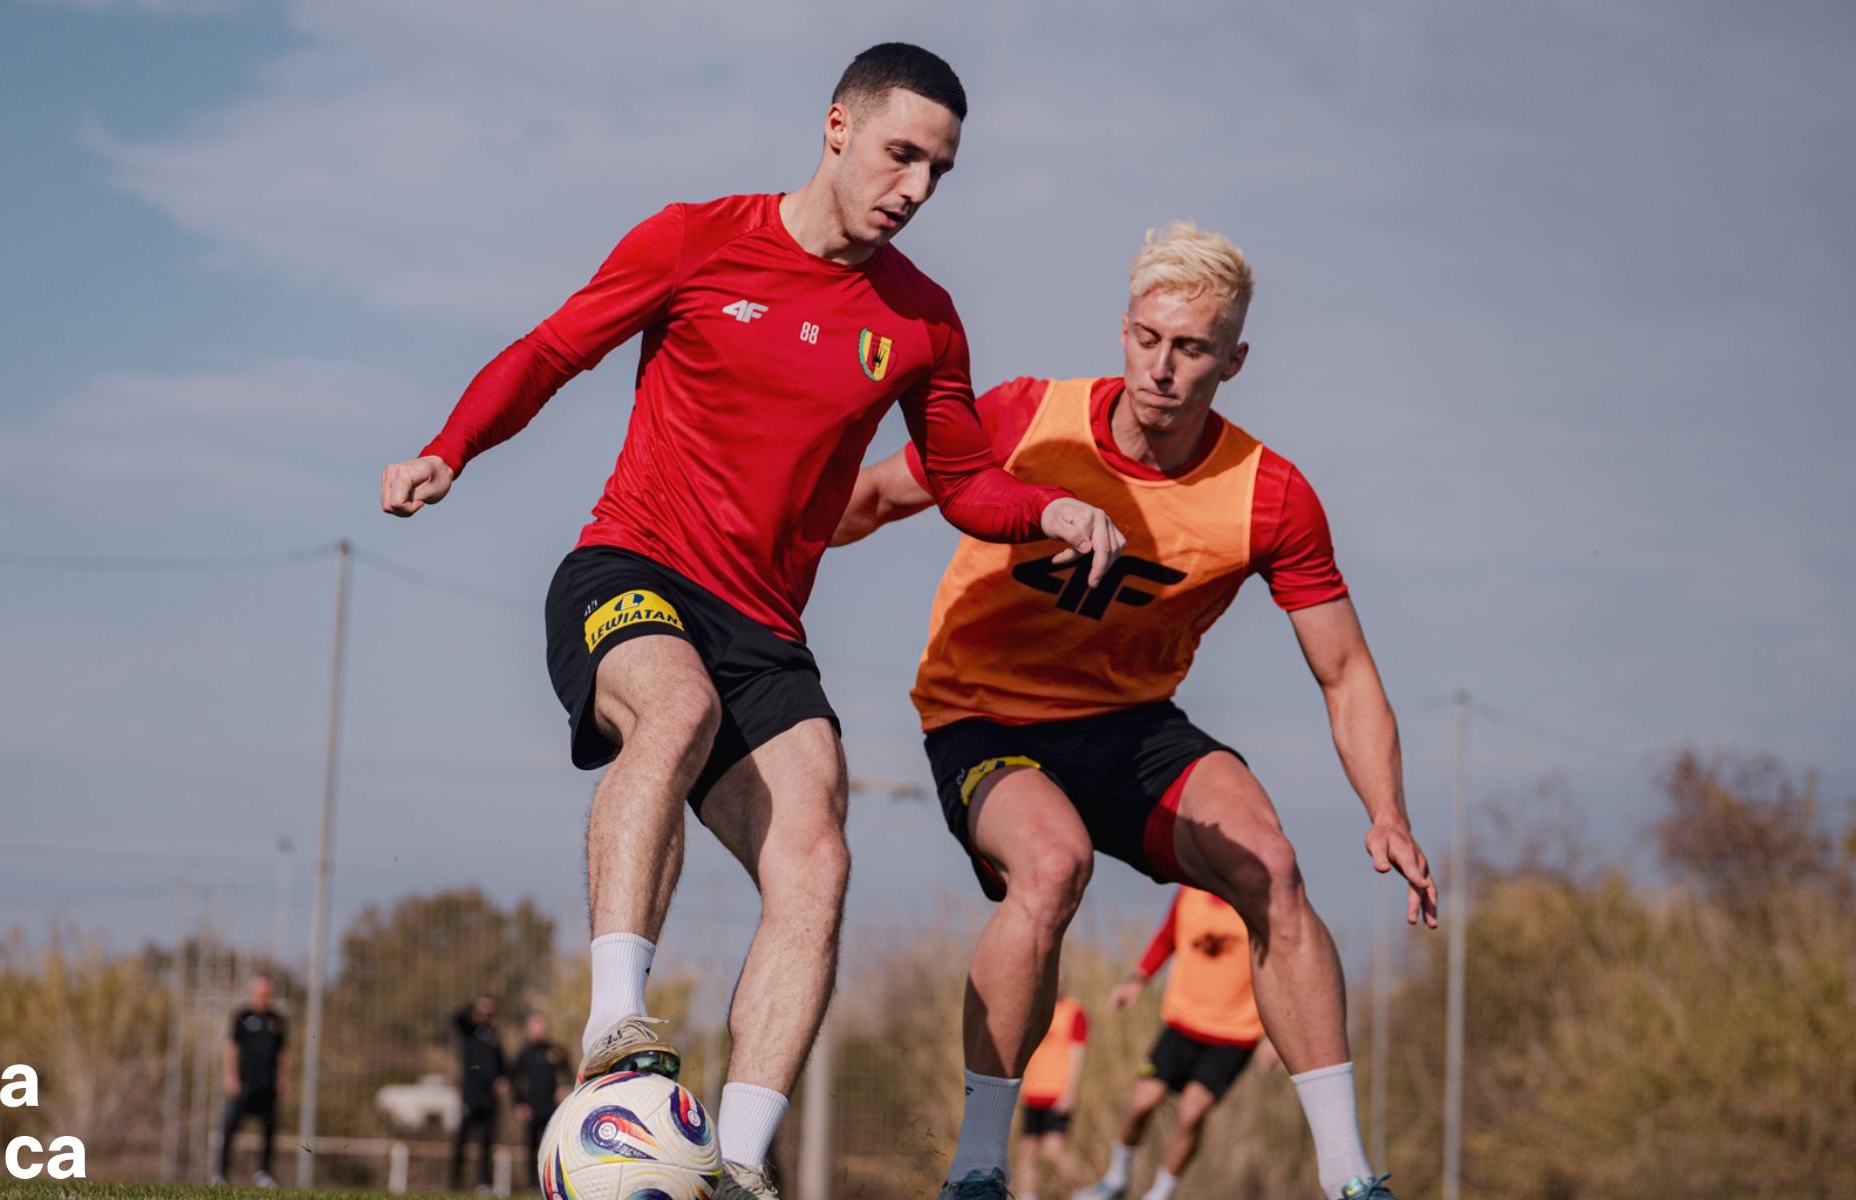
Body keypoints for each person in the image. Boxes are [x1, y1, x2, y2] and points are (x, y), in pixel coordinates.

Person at [379, 41, 1123, 1200]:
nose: (916, 188)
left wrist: (1049, 510)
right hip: (633, 566)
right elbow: (552, 351)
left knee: (817, 858)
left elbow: (964, 479)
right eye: (901, 154)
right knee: (673, 710)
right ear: (837, 126)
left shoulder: (924, 321)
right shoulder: (695, 239)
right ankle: (616, 1027)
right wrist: (449, 449)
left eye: (939, 170)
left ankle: (733, 1165)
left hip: (765, 628)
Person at [833, 221, 1437, 1200]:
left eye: (1192, 348)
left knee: (1273, 866)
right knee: (1052, 864)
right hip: (984, 717)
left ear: (1233, 360)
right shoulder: (1028, 418)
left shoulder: (1270, 495)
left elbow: (1346, 673)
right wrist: (736, 546)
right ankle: (978, 1166)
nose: (1163, 367)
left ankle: (1350, 1177)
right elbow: (870, 501)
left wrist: (1388, 810)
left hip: (1130, 724)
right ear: (1122, 331)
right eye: (1148, 338)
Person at [1076, 888, 1266, 1200]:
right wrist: (1137, 981)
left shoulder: (1257, 900)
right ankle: (1115, 1180)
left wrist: (1274, 1036)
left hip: (1235, 1035)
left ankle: (1160, 1194)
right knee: (1141, 1104)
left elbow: (1278, 967)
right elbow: (1167, 938)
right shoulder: (1189, 894)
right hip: (1181, 1025)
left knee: (1191, 1114)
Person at [216, 974, 287, 1188]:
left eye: (268, 992)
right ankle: (221, 1174)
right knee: (229, 1128)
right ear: (254, 992)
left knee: (269, 1130)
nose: (264, 996)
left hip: (267, 1086)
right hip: (243, 1085)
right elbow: (231, 1049)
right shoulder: (242, 1016)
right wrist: (231, 1078)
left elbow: (283, 1053)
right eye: (261, 992)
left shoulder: (278, 1020)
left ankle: (264, 1174)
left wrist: (282, 1080)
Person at [1015, 995, 1087, 1199]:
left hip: (1057, 1094)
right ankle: (1028, 1196)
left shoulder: (1074, 1012)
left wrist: (1070, 1092)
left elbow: (1077, 1054)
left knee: (1054, 1151)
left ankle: (1084, 1192)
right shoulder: (1032, 1008)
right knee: (1027, 1151)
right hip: (1031, 1092)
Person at [451, 997, 510, 1193]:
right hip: (471, 1095)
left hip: (489, 1098)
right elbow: (455, 1017)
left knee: (487, 1142)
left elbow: (502, 1063)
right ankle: (454, 1183)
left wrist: (502, 1079)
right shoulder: (469, 1030)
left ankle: (484, 1183)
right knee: (462, 1140)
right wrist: (474, 1009)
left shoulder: (494, 1036)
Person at [512, 1011, 571, 1191]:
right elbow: (515, 1080)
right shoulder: (524, 1053)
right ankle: (532, 1185)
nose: (538, 1030)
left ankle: (553, 1184)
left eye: (541, 1025)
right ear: (528, 1029)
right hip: (531, 1110)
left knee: (553, 1149)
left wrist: (565, 1088)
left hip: (552, 1109)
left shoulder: (555, 1051)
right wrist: (519, 1104)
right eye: (534, 1026)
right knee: (531, 1149)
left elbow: (568, 1073)